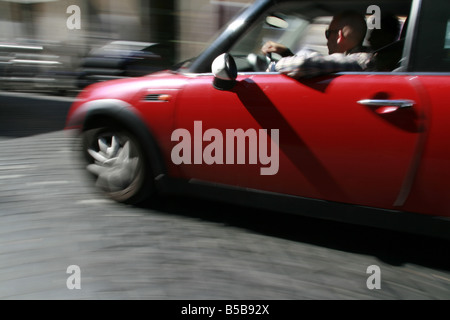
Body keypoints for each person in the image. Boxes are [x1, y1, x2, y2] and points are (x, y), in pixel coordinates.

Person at [262, 10, 373, 78]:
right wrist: (285, 52)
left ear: (339, 36)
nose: (327, 39)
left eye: (328, 33)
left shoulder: (358, 61)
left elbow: (303, 64)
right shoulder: (357, 60)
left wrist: (273, 67)